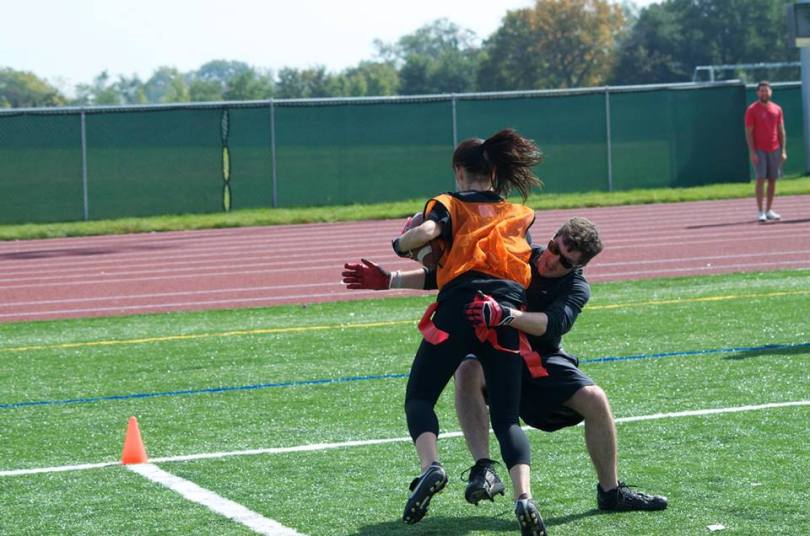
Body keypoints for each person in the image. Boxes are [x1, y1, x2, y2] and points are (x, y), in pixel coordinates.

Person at [342, 217, 668, 519]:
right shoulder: (518, 253)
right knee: (467, 370)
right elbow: (448, 276)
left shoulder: (576, 288)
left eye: (565, 261)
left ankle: (610, 493)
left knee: (596, 399)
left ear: (578, 266)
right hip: (495, 351)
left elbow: (552, 324)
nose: (552, 259)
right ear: (551, 238)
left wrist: (505, 314)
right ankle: (484, 468)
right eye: (554, 248)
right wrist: (389, 280)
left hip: (539, 357)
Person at [389, 128, 547, 535]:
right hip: (504, 312)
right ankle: (524, 496)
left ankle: (431, 466)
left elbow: (427, 234)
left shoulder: (449, 204)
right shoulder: (517, 213)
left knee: (420, 396)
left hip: (460, 306)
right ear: (494, 172)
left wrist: (401, 243)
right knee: (507, 418)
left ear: (459, 170)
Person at [745, 81, 786, 223]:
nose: (764, 93)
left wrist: (783, 150)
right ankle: (760, 211)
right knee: (760, 179)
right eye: (761, 90)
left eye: (766, 90)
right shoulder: (752, 109)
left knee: (773, 179)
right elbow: (749, 132)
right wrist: (752, 152)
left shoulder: (777, 109)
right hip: (759, 149)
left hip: (775, 148)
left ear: (770, 92)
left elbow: (781, 131)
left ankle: (769, 210)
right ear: (757, 93)